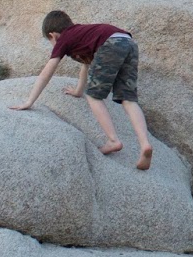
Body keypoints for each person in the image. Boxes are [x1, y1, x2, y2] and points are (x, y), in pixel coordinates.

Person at [9, 10, 153, 170]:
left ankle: (113, 140)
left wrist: (29, 101)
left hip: (111, 44)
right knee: (128, 99)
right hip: (128, 42)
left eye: (50, 41)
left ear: (53, 35)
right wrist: (78, 91)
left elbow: (46, 73)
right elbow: (86, 65)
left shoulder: (64, 38)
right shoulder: (83, 34)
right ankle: (145, 145)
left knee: (93, 96)